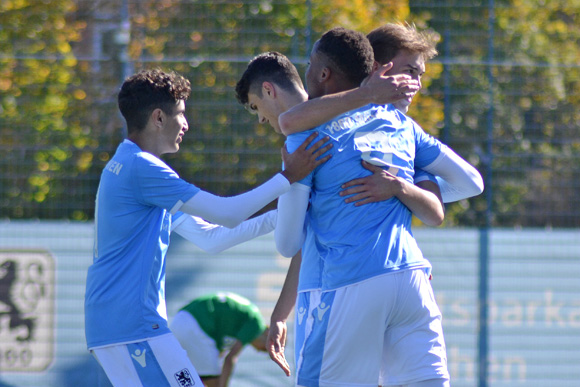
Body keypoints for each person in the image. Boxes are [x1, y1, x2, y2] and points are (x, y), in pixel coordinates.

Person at [237, 28, 483, 387]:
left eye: (310, 65)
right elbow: (471, 183)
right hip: (411, 278)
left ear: (323, 73)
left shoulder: (305, 137)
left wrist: (291, 183)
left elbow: (290, 244)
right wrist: (405, 189)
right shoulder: (400, 124)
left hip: (348, 282)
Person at [84, 68, 332, 387]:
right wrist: (288, 177)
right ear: (158, 118)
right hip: (132, 327)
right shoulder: (143, 169)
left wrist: (282, 216)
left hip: (122, 326)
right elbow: (226, 213)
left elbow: (211, 237)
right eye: (181, 114)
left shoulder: (132, 166)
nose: (186, 124)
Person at [170, 292, 270, 387]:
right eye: (264, 349)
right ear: (268, 334)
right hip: (197, 327)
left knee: (195, 380)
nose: (258, 351)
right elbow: (230, 358)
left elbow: (220, 351)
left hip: (179, 321)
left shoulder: (245, 318)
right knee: (216, 383)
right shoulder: (256, 325)